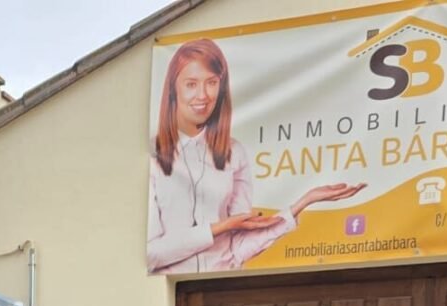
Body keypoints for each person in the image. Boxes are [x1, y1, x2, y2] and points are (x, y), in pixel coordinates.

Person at [147, 38, 365, 275]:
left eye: (211, 83)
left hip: (223, 286)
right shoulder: (151, 157)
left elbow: (238, 248)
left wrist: (302, 203)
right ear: (173, 89)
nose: (203, 95)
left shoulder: (234, 152)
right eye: (191, 84)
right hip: (169, 292)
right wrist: (218, 228)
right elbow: (150, 255)